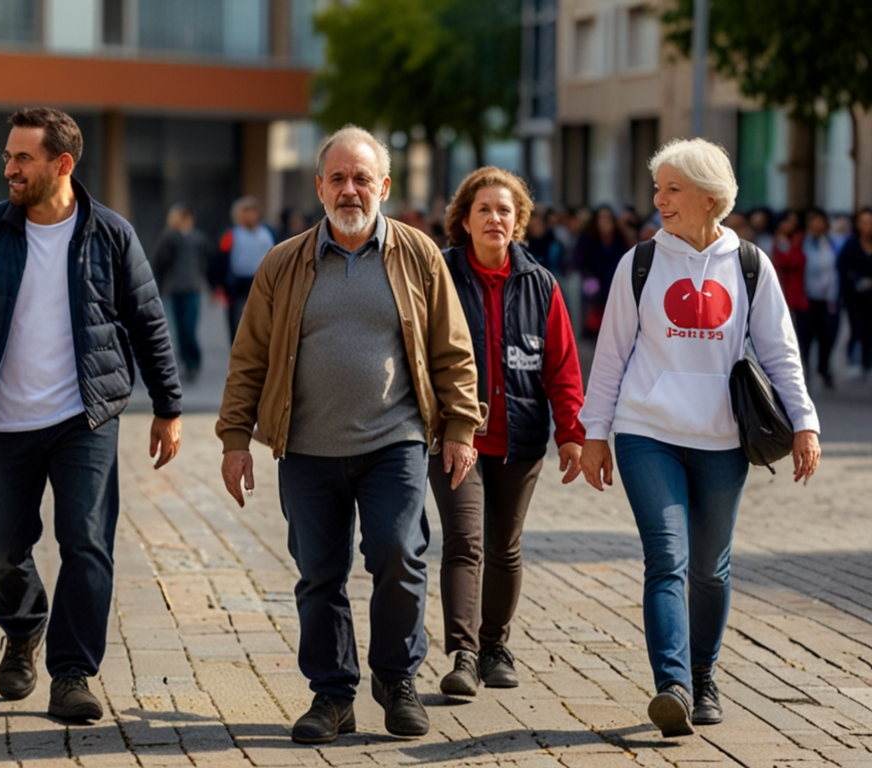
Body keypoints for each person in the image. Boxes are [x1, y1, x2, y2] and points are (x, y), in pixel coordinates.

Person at [216, 125, 480, 744]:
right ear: (319, 187)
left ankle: (396, 678)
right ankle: (332, 696)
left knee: (398, 551)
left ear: (385, 186)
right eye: (337, 177)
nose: (350, 189)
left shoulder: (417, 255)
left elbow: (453, 350)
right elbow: (248, 356)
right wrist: (234, 440)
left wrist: (462, 426)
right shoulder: (283, 263)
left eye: (362, 178)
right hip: (306, 447)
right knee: (318, 573)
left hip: (396, 442)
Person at [0, 107, 183, 723]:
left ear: (61, 164)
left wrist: (168, 407)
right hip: (7, 423)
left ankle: (72, 674)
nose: (8, 168)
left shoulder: (112, 234)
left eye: (22, 158)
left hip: (84, 418)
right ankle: (24, 629)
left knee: (87, 544)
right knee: (3, 549)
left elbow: (148, 321)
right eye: (8, 156)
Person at [579, 137, 820, 739]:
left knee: (710, 568)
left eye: (672, 190)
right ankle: (674, 686)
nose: (658, 200)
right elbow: (610, 357)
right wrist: (595, 433)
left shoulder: (750, 266)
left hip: (722, 439)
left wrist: (807, 423)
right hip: (646, 432)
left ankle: (705, 675)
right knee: (667, 559)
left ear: (710, 198)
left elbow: (780, 352)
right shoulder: (639, 263)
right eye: (657, 188)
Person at [429, 167, 585, 697]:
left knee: (505, 548)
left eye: (504, 210)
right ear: (464, 220)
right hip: (457, 437)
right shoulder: (441, 274)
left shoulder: (540, 283)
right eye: (484, 210)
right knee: (464, 542)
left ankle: (496, 645)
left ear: (518, 221)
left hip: (520, 439)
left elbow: (561, 365)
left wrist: (571, 431)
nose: (495, 218)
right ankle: (463, 654)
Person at [151, 203, 213, 381]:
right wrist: (159, 288)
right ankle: (186, 362)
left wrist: (211, 286)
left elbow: (205, 263)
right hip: (175, 288)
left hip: (193, 288)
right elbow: (160, 264)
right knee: (179, 329)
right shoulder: (170, 238)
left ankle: (193, 362)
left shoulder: (198, 238)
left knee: (190, 328)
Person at [217, 196, 275, 344]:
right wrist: (220, 285)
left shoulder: (267, 233)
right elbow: (220, 259)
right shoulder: (232, 234)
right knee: (236, 321)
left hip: (261, 281)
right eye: (245, 211)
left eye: (252, 211)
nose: (249, 215)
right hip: (237, 283)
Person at [797, 208, 840, 388]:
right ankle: (804, 370)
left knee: (828, 335)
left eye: (820, 221)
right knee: (804, 337)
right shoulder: (799, 243)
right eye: (813, 221)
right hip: (806, 298)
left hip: (828, 298)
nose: (817, 225)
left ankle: (823, 366)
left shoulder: (832, 243)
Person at [573, 205, 627, 338]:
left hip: (614, 282)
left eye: (608, 218)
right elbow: (580, 263)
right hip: (593, 284)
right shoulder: (587, 240)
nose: (605, 222)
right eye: (602, 218)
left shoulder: (620, 240)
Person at [838, 207, 872, 378]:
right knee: (857, 328)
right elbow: (842, 269)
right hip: (855, 297)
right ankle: (855, 360)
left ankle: (867, 362)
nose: (867, 226)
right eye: (863, 222)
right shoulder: (851, 245)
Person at [770, 210, 807, 330]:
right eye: (788, 221)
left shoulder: (799, 239)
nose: (791, 225)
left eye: (794, 222)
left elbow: (794, 260)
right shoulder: (775, 239)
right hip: (779, 284)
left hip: (795, 288)